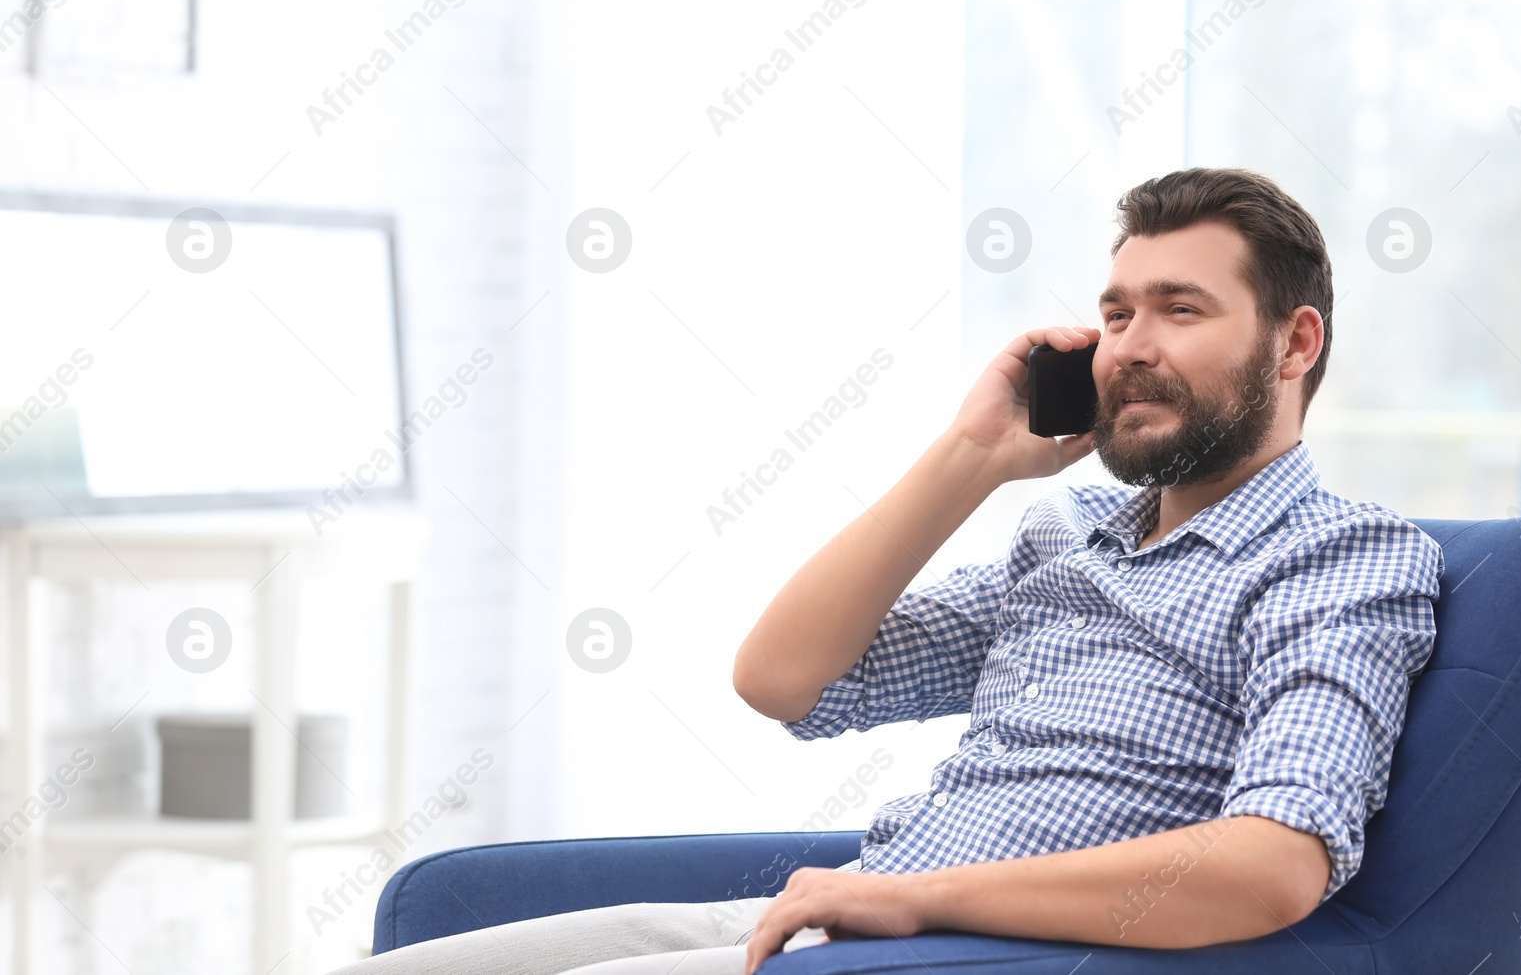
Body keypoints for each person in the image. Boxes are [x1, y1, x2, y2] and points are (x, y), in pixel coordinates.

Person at [325, 167, 1442, 975]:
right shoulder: (1069, 535)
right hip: (840, 919)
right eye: (1114, 312)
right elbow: (784, 679)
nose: (1127, 346)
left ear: (1295, 344)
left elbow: (1273, 862)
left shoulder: (1340, 560)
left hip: (952, 948)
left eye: (1179, 309)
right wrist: (969, 459)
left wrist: (911, 901)